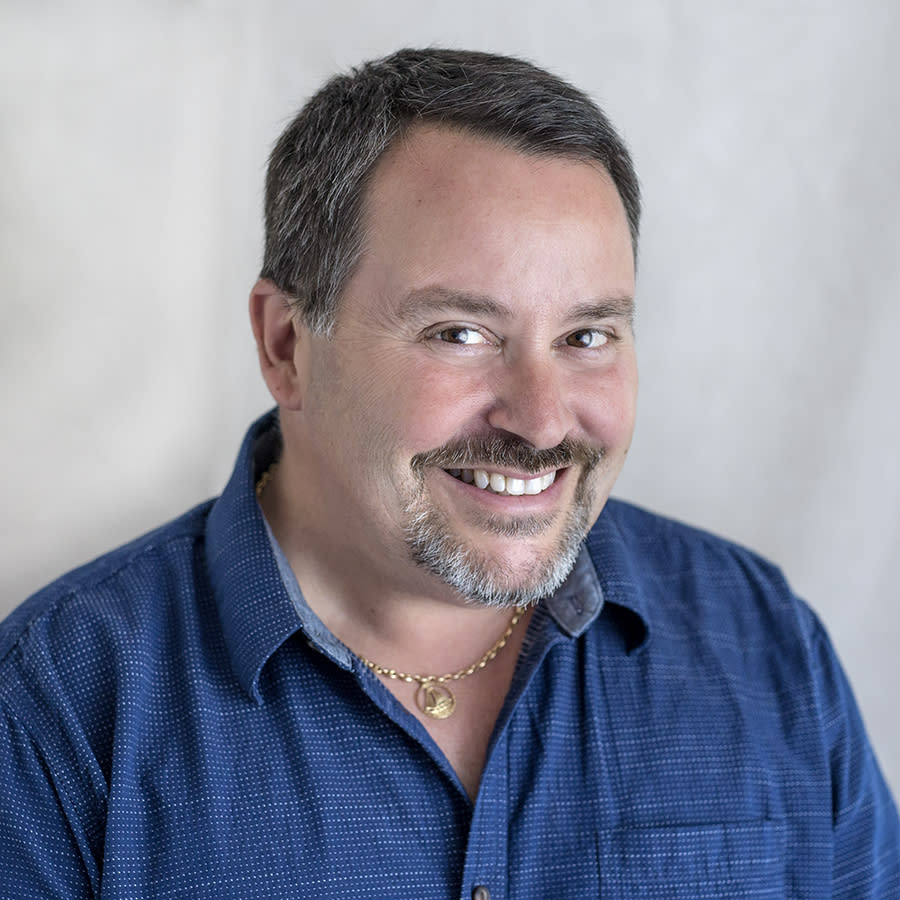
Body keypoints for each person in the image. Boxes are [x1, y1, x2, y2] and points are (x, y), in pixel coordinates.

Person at [1, 47, 897, 900]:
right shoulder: (56, 709)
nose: (541, 420)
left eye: (586, 336)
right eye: (460, 334)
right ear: (286, 346)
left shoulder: (765, 642)